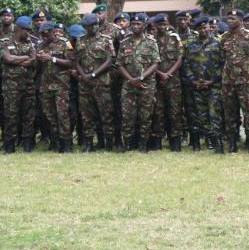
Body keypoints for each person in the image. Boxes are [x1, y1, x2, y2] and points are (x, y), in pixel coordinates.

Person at [221, 9, 249, 154]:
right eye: (228, 18)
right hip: (228, 82)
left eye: (232, 18)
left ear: (240, 20)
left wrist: (248, 71)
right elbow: (223, 57)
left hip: (245, 81)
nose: (229, 21)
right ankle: (232, 144)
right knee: (230, 113)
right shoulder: (224, 37)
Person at [117, 13, 160, 152]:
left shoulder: (151, 42)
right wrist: (131, 80)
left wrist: (140, 78)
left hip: (147, 84)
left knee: (145, 116)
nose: (135, 26)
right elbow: (119, 64)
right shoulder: (124, 42)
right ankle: (128, 144)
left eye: (138, 24)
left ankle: (143, 144)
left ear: (145, 25)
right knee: (127, 115)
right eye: (133, 24)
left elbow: (155, 64)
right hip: (128, 85)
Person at [75, 13, 116, 152]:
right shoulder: (80, 40)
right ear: (85, 27)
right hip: (85, 83)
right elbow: (77, 61)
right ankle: (89, 145)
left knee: (106, 113)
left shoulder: (106, 40)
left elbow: (110, 60)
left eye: (95, 25)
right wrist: (83, 75)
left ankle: (108, 143)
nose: (93, 28)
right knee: (87, 115)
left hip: (101, 82)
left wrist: (93, 74)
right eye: (89, 26)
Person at [183, 16, 224, 152]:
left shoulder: (218, 43)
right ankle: (211, 140)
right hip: (197, 86)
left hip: (214, 86)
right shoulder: (191, 45)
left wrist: (212, 81)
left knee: (214, 114)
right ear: (196, 30)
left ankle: (218, 144)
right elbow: (187, 65)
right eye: (200, 28)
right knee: (202, 116)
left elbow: (223, 65)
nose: (203, 30)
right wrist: (193, 81)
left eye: (205, 27)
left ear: (209, 27)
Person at [36, 21, 74, 153]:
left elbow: (70, 62)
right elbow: (39, 68)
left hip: (61, 85)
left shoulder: (65, 43)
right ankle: (56, 143)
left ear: (53, 32)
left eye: (47, 34)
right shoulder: (40, 45)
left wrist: (52, 58)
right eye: (42, 35)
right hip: (46, 86)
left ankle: (67, 144)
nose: (45, 37)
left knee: (62, 115)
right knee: (50, 116)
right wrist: (38, 59)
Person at [1, 16, 37, 153]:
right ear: (19, 29)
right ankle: (9, 146)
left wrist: (21, 59)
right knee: (11, 115)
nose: (28, 33)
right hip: (11, 86)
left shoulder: (31, 43)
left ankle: (28, 145)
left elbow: (34, 60)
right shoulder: (5, 42)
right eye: (26, 30)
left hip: (28, 85)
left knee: (29, 115)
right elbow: (7, 58)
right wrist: (25, 58)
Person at [152, 14, 185, 152]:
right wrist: (161, 74)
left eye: (165, 24)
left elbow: (180, 58)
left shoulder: (175, 38)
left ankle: (175, 141)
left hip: (173, 81)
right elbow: (149, 62)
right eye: (160, 24)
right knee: (158, 112)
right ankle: (157, 141)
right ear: (155, 25)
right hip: (156, 81)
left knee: (175, 111)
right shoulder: (151, 39)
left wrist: (168, 73)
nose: (163, 27)